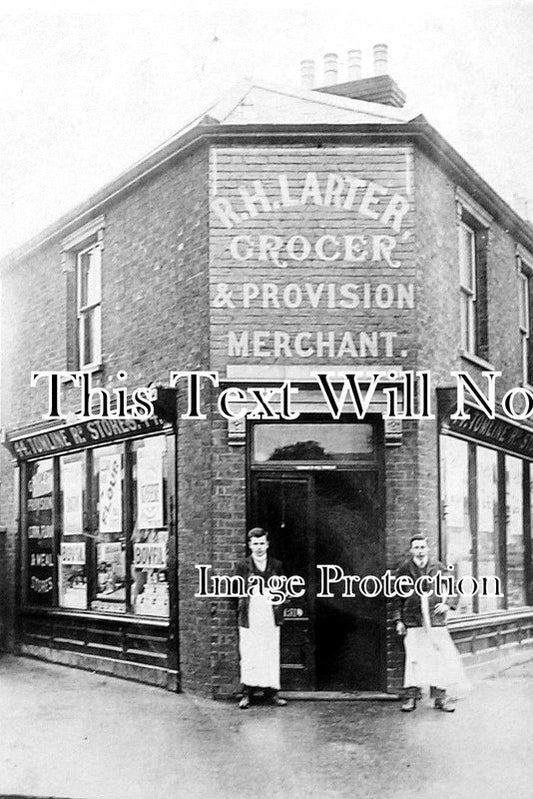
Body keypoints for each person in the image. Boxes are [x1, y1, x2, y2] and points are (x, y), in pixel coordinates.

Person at [392, 534, 469, 713]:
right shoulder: (404, 569)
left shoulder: (438, 567)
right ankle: (411, 697)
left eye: (422, 547)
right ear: (411, 550)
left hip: (435, 620)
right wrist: (398, 620)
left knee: (439, 658)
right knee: (414, 658)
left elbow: (453, 588)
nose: (419, 551)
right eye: (416, 548)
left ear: (428, 549)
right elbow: (396, 597)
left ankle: (440, 698)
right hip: (413, 620)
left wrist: (447, 604)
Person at [236, 527, 287, 709]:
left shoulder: (276, 565)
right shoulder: (242, 565)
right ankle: (247, 693)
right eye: (255, 544)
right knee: (249, 652)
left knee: (270, 651)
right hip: (250, 614)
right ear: (250, 545)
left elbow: (283, 589)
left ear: (267, 544)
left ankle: (271, 692)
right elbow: (237, 590)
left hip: (270, 614)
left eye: (262, 543)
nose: (259, 547)